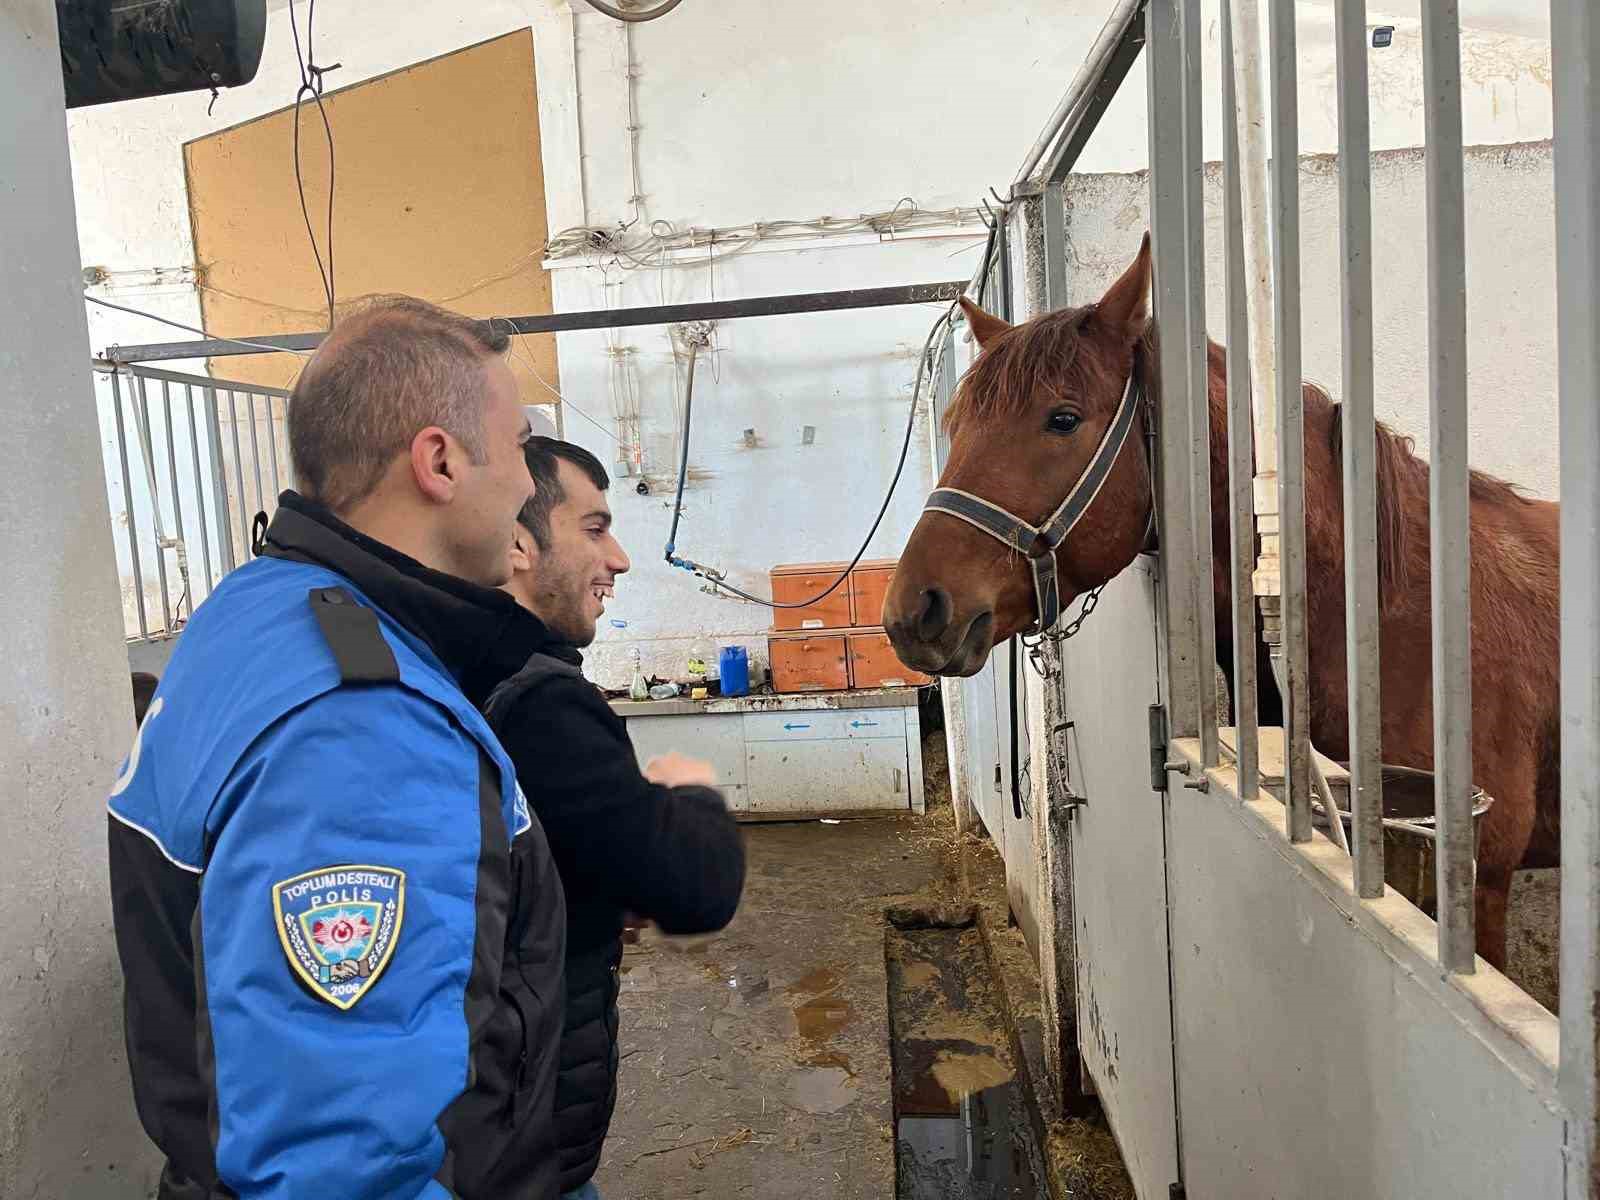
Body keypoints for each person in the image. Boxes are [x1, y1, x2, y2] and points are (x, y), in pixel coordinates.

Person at [107, 296, 570, 1200]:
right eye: (519, 447)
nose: (528, 485)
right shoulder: (360, 729)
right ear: (438, 460)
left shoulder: (255, 612)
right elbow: (342, 1162)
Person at [482, 436, 747, 1199]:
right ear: (519, 544)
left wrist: (587, 900)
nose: (621, 559)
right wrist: (690, 790)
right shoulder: (541, 699)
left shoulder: (459, 669)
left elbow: (511, 868)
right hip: (528, 1131)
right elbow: (696, 886)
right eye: (595, 529)